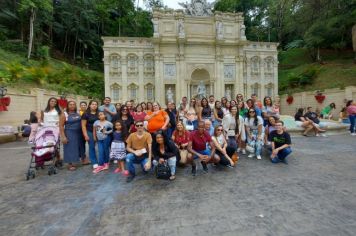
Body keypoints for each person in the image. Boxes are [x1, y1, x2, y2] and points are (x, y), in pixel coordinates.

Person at [59, 101, 82, 171]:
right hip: (69, 133)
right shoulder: (64, 114)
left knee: (75, 148)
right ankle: (70, 164)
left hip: (78, 133)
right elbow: (61, 126)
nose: (72, 106)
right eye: (70, 104)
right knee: (69, 148)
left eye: (73, 104)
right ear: (68, 106)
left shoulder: (77, 114)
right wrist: (63, 136)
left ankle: (75, 161)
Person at [41, 97, 62, 164]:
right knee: (47, 144)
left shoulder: (58, 110)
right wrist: (40, 124)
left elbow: (62, 119)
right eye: (52, 101)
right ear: (49, 102)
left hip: (55, 129)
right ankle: (56, 156)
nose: (53, 103)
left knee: (54, 143)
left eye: (55, 102)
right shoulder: (44, 111)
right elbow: (42, 119)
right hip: (46, 129)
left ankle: (57, 157)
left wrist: (59, 123)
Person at [82, 100, 99, 169]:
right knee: (92, 146)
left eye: (95, 104)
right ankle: (94, 162)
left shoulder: (99, 113)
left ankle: (102, 160)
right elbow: (83, 125)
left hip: (99, 132)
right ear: (89, 105)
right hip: (90, 132)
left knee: (100, 147)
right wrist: (85, 135)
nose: (94, 105)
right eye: (93, 104)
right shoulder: (86, 114)